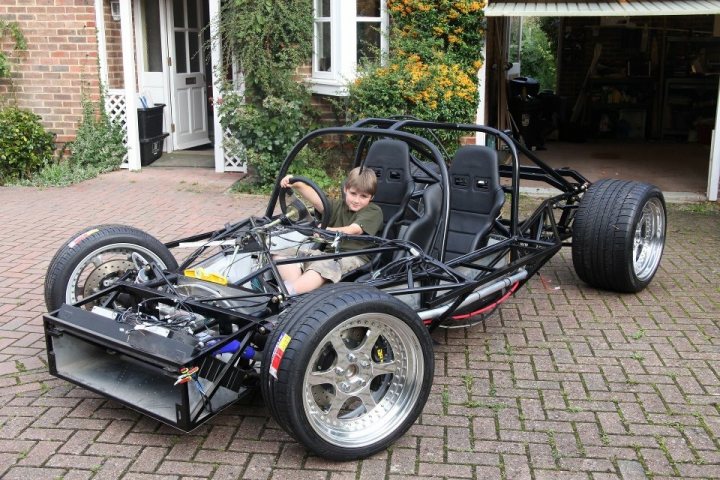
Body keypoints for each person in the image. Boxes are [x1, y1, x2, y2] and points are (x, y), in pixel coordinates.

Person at [276, 167, 383, 295]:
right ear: (345, 189)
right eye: (353, 193)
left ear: (371, 197)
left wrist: (326, 230)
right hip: (328, 254)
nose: (356, 200)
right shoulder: (338, 205)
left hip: (353, 257)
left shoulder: (373, 211)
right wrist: (296, 183)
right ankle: (295, 291)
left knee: (321, 267)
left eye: (363, 196)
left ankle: (288, 293)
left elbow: (353, 230)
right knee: (281, 255)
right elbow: (317, 200)